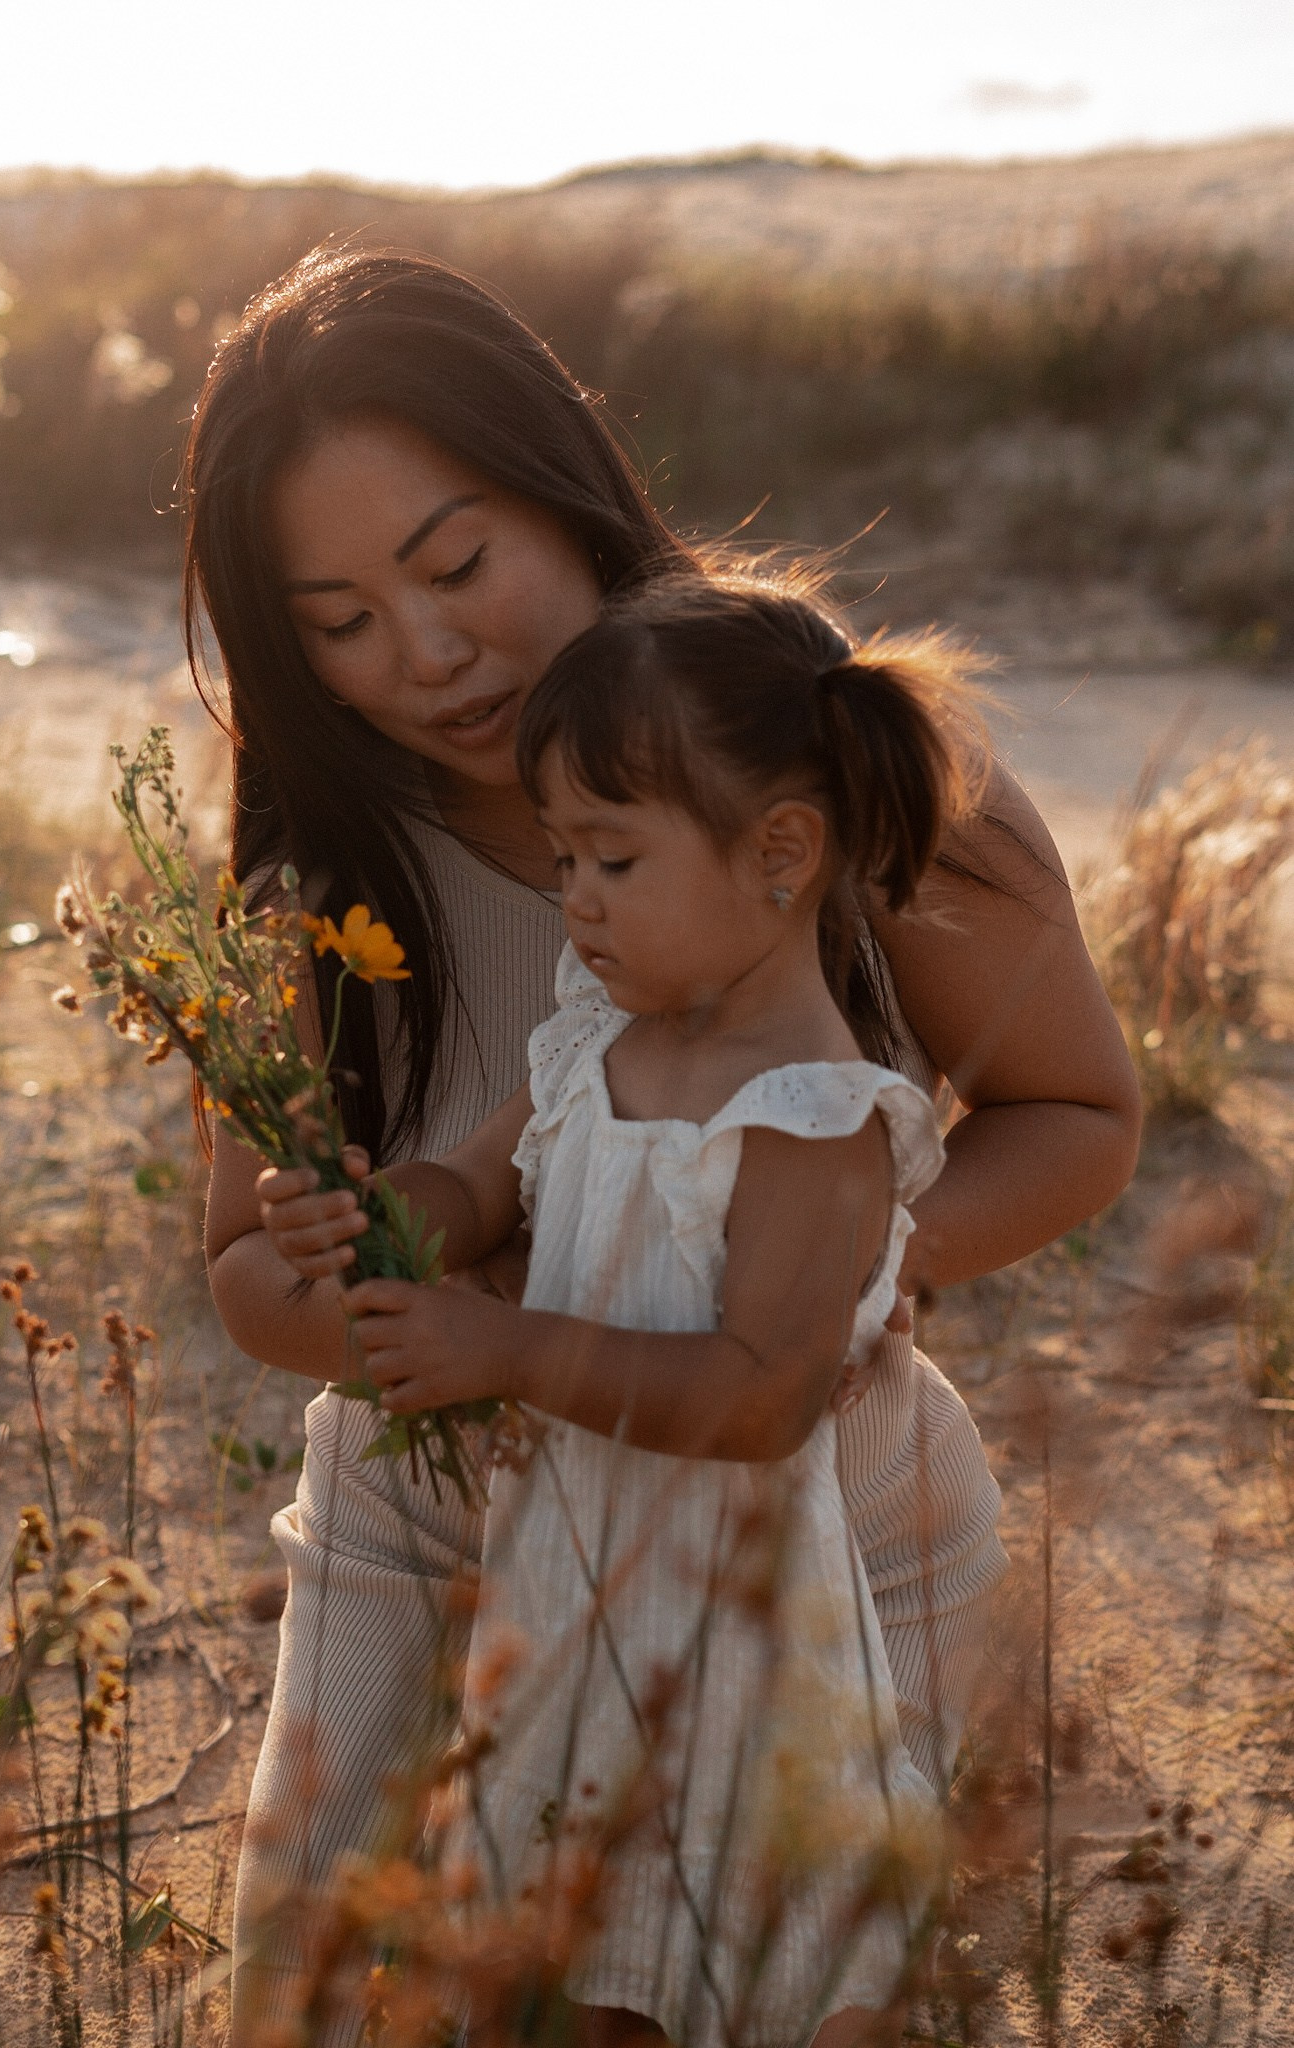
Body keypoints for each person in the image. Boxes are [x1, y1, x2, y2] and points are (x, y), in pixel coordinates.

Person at [188, 247, 1141, 2042]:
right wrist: (417, 1318)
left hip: (811, 1521)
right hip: (427, 1525)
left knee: (769, 1985)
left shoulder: (808, 758)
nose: (427, 650)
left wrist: (771, 1278)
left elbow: (1078, 1116)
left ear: (563, 483)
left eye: (455, 563)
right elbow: (245, 1265)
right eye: (339, 618)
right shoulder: (317, 855)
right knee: (360, 1997)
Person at [261, 576, 974, 2046]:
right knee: (566, 1956)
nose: (573, 896)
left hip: (721, 1639)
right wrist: (369, 1212)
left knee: (705, 1962)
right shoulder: (599, 1033)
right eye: (565, 854)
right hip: (569, 1595)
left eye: (614, 857)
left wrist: (504, 1348)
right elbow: (478, 1190)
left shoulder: (812, 1119)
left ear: (779, 852)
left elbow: (761, 1392)